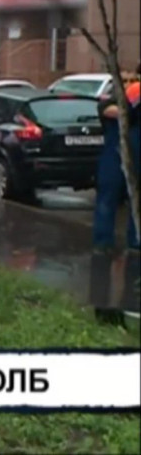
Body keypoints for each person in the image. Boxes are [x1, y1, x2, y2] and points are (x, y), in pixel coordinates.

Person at [91, 63, 141, 324]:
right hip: (113, 160)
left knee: (136, 209)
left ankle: (135, 245)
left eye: (134, 77)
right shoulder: (111, 101)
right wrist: (128, 108)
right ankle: (102, 245)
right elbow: (109, 111)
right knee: (106, 207)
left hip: (135, 161)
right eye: (126, 79)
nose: (131, 81)